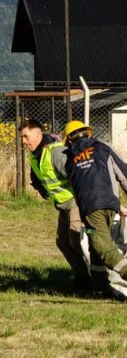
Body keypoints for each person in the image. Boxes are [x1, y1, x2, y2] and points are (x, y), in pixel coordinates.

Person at [63, 120, 127, 301]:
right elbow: (124, 172)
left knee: (104, 249)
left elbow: (77, 188)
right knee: (93, 243)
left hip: (90, 211)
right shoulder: (103, 147)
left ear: (69, 140)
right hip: (110, 207)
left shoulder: (69, 159)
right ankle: (100, 287)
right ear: (87, 133)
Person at [18, 119, 90, 292]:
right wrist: (40, 188)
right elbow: (38, 176)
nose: (23, 141)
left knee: (75, 240)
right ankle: (83, 277)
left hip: (75, 202)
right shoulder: (35, 155)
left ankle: (94, 278)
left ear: (37, 134)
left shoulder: (56, 151)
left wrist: (85, 202)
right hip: (62, 205)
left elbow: (78, 176)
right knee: (62, 243)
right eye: (21, 138)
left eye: (25, 136)